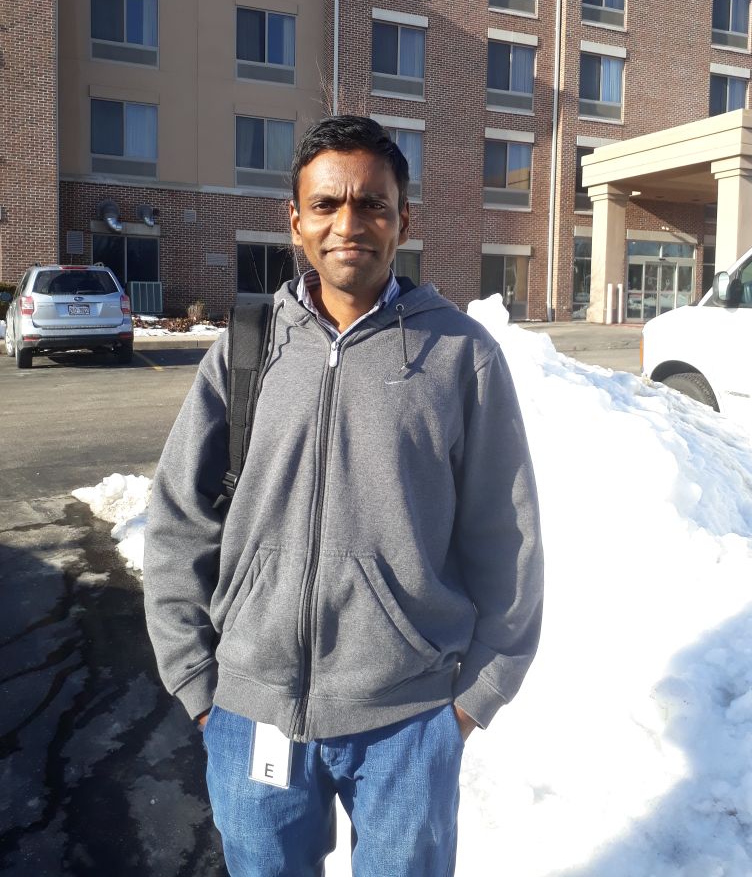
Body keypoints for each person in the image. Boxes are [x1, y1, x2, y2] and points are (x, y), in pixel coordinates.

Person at [143, 115, 543, 877]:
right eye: (326, 205)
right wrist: (198, 683)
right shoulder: (248, 346)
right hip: (252, 712)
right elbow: (180, 520)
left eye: (372, 204)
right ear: (296, 222)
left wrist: (476, 695)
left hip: (408, 720)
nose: (348, 224)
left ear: (403, 221)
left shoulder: (460, 355)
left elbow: (507, 533)